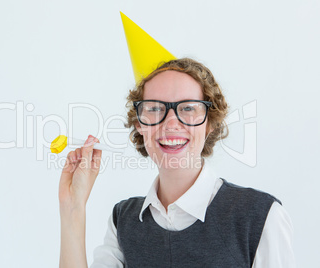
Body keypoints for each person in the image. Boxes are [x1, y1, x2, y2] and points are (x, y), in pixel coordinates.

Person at [58, 58, 295, 267]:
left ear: (210, 123)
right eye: (154, 108)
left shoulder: (261, 217)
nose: (171, 123)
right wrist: (73, 207)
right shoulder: (123, 221)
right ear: (140, 124)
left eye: (189, 108)